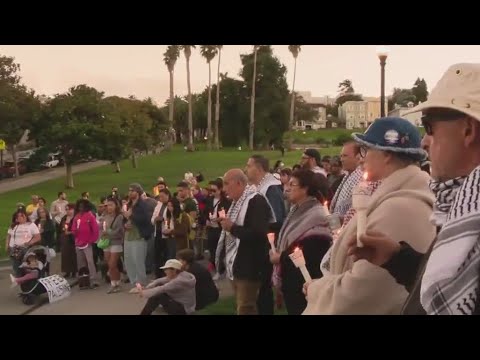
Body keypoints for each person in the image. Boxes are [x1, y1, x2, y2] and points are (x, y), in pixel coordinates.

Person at [347, 63, 480, 315]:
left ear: (468, 131)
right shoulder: (462, 204)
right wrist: (397, 259)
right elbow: (450, 285)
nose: (424, 141)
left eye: (429, 127)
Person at [303, 117, 436, 315]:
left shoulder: (400, 208)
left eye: (365, 150)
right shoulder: (394, 197)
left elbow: (363, 292)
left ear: (387, 154)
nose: (360, 158)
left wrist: (317, 289)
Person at [269, 169, 332, 314]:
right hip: (292, 279)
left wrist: (281, 257)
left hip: (306, 280)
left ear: (305, 188)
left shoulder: (316, 214)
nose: (287, 188)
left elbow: (312, 251)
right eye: (287, 183)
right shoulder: (296, 210)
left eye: (292, 184)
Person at [216, 169, 272, 315]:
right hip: (237, 265)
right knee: (243, 306)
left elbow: (259, 234)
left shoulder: (255, 201)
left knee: (246, 308)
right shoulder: (236, 203)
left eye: (227, 184)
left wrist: (232, 227)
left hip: (250, 267)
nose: (224, 188)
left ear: (239, 183)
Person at [245, 155, 286, 315]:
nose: (246, 169)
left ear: (259, 168)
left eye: (249, 165)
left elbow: (276, 219)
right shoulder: (261, 187)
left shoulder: (271, 188)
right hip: (261, 242)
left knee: (264, 287)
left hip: (267, 244)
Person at [122, 183, 154, 293]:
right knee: (129, 260)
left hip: (139, 236)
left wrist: (130, 216)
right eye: (129, 190)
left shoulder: (142, 204)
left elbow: (145, 219)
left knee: (138, 260)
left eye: (133, 190)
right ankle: (135, 282)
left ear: (138, 192)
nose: (130, 192)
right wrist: (125, 224)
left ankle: (142, 283)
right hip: (128, 235)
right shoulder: (129, 204)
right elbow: (124, 218)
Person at [329, 141, 363, 221]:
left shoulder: (361, 178)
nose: (341, 159)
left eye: (345, 156)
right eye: (341, 156)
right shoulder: (347, 175)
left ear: (358, 157)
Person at [204, 179, 231, 276]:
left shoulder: (226, 201)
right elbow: (206, 212)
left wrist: (220, 219)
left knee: (220, 250)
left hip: (221, 229)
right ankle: (218, 268)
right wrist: (207, 219)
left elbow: (228, 214)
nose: (212, 193)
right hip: (211, 228)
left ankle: (220, 270)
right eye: (211, 190)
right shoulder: (209, 200)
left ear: (220, 190)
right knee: (212, 249)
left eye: (214, 190)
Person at [71, 199, 100, 289]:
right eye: (79, 206)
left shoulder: (90, 216)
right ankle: (84, 280)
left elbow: (95, 229)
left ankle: (94, 279)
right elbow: (73, 228)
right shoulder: (76, 217)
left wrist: (92, 239)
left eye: (83, 206)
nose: (81, 208)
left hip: (87, 242)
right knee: (81, 263)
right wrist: (74, 231)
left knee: (90, 261)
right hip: (78, 242)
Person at [6, 209, 41, 276]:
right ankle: (18, 276)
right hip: (13, 248)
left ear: (25, 217)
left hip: (25, 248)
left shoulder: (31, 225)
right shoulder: (13, 226)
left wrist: (30, 242)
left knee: (25, 265)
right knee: (16, 264)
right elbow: (9, 236)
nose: (20, 218)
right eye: (18, 216)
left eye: (22, 216)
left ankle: (26, 277)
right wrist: (7, 245)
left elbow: (37, 237)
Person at [101, 197, 125, 294]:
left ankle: (117, 283)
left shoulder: (119, 217)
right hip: (107, 242)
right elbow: (101, 227)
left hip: (116, 242)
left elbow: (118, 231)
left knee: (112, 264)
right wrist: (102, 233)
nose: (109, 207)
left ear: (116, 206)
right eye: (107, 205)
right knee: (110, 265)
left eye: (111, 205)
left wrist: (108, 233)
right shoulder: (105, 216)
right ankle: (113, 283)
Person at [151, 188, 171, 277]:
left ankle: (167, 273)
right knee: (157, 254)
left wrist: (163, 219)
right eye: (160, 197)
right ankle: (158, 274)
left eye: (162, 197)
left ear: (168, 196)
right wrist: (154, 220)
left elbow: (172, 217)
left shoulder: (170, 205)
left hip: (167, 232)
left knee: (166, 253)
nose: (161, 199)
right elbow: (153, 217)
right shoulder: (158, 205)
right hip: (158, 231)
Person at [60, 203, 77, 278]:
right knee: (65, 255)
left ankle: (74, 271)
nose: (68, 211)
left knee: (73, 255)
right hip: (65, 239)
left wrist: (70, 232)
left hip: (72, 239)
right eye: (66, 209)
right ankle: (67, 271)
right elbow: (60, 228)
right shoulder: (64, 218)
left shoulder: (76, 218)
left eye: (69, 209)